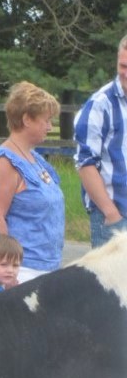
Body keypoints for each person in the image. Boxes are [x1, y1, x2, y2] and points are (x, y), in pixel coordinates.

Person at [0, 81, 65, 282]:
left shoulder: (35, 158)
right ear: (27, 119)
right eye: (46, 120)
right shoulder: (3, 163)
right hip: (23, 271)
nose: (50, 127)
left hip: (47, 268)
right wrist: (8, 273)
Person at [73, 35, 127, 248]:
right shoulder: (100, 104)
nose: (126, 73)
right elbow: (85, 164)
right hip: (115, 216)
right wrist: (111, 213)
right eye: (123, 65)